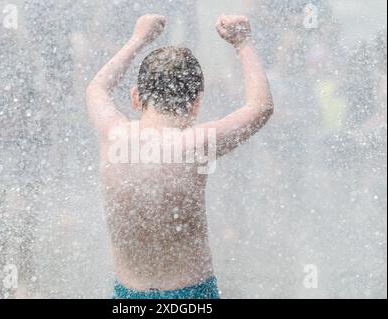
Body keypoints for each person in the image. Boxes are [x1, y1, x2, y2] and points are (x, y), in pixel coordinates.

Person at [86, 14, 274, 299]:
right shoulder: (196, 144)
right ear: (197, 103)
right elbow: (261, 106)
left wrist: (137, 39)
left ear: (136, 97)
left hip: (128, 297)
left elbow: (97, 88)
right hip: (191, 296)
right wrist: (242, 43)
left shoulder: (113, 135)